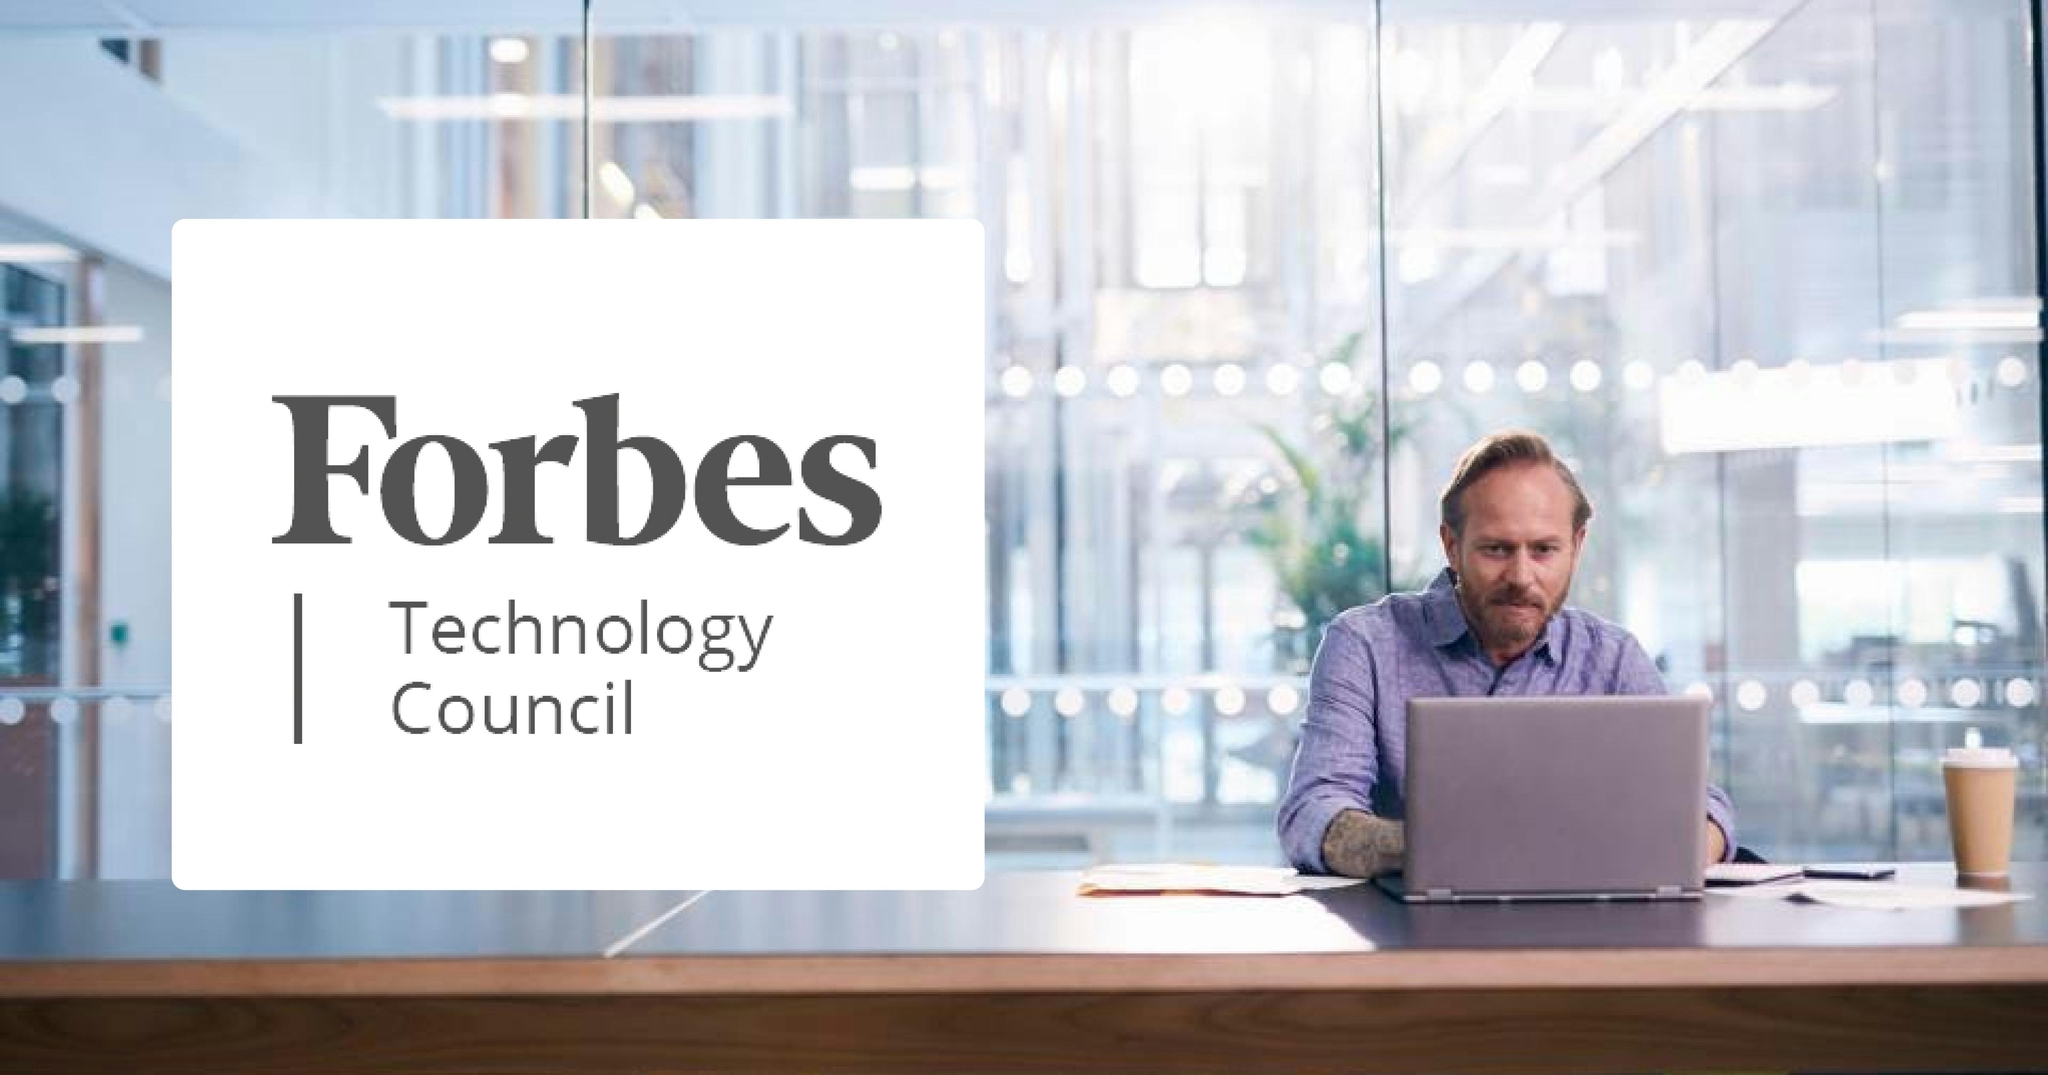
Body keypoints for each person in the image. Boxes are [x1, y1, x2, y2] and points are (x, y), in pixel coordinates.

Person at [1276, 430, 1736, 877]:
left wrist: (1685, 845)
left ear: (1576, 547)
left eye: (1543, 550)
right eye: (1497, 549)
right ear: (1452, 547)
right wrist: (1466, 849)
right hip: (1411, 940)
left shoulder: (1612, 658)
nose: (1520, 575)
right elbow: (1315, 815)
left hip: (1590, 933)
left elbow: (1704, 806)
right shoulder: (1366, 645)